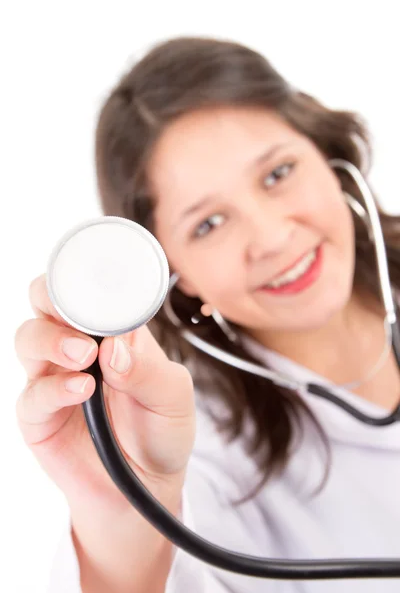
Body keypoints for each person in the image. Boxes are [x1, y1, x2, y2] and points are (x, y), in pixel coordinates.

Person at [14, 35, 400, 593]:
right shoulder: (201, 459)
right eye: (209, 225)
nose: (271, 238)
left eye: (277, 173)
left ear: (327, 156)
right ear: (177, 276)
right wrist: (121, 517)